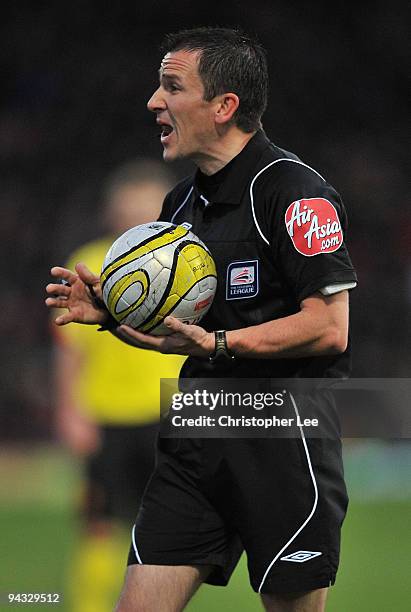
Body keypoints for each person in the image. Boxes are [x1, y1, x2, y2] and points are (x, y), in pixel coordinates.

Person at [46, 27, 357, 612]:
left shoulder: (294, 192)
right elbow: (182, 339)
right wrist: (112, 316)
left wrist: (221, 340)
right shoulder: (180, 206)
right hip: (195, 442)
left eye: (170, 87)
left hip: (280, 445)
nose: (153, 102)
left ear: (223, 106)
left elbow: (328, 326)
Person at [52, 159, 186, 612]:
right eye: (127, 211)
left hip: (166, 413)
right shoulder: (86, 264)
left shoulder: (184, 263)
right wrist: (70, 410)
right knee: (99, 524)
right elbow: (70, 349)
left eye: (146, 211)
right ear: (111, 213)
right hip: (105, 414)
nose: (136, 220)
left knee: (168, 525)